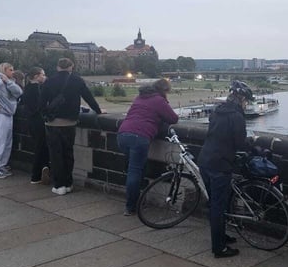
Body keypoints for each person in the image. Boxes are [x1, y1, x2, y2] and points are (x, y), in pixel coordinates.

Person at [197, 80, 255, 259]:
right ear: (241, 99)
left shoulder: (217, 111)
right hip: (220, 164)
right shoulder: (237, 116)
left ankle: (221, 236)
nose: (247, 104)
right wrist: (252, 143)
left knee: (215, 202)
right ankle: (219, 248)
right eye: (246, 101)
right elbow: (240, 143)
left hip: (205, 160)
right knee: (218, 207)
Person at [40, 58, 102, 195]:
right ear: (71, 67)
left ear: (57, 67)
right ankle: (68, 183)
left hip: (52, 123)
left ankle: (59, 185)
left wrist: (46, 115)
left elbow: (42, 102)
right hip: (70, 122)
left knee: (56, 155)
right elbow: (88, 97)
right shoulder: (77, 80)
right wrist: (98, 111)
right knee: (68, 153)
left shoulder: (49, 81)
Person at [117, 78, 179, 216]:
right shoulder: (159, 100)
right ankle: (131, 207)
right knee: (135, 171)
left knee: (132, 169)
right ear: (164, 90)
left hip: (122, 134)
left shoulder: (140, 97)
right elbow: (173, 118)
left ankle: (137, 200)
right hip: (139, 137)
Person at [20, 67, 50, 185]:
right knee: (41, 147)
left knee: (38, 147)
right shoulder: (37, 89)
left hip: (30, 121)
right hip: (39, 122)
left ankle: (41, 170)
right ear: (37, 76)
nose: (45, 77)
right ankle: (37, 174)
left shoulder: (26, 88)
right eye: (43, 74)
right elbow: (41, 106)